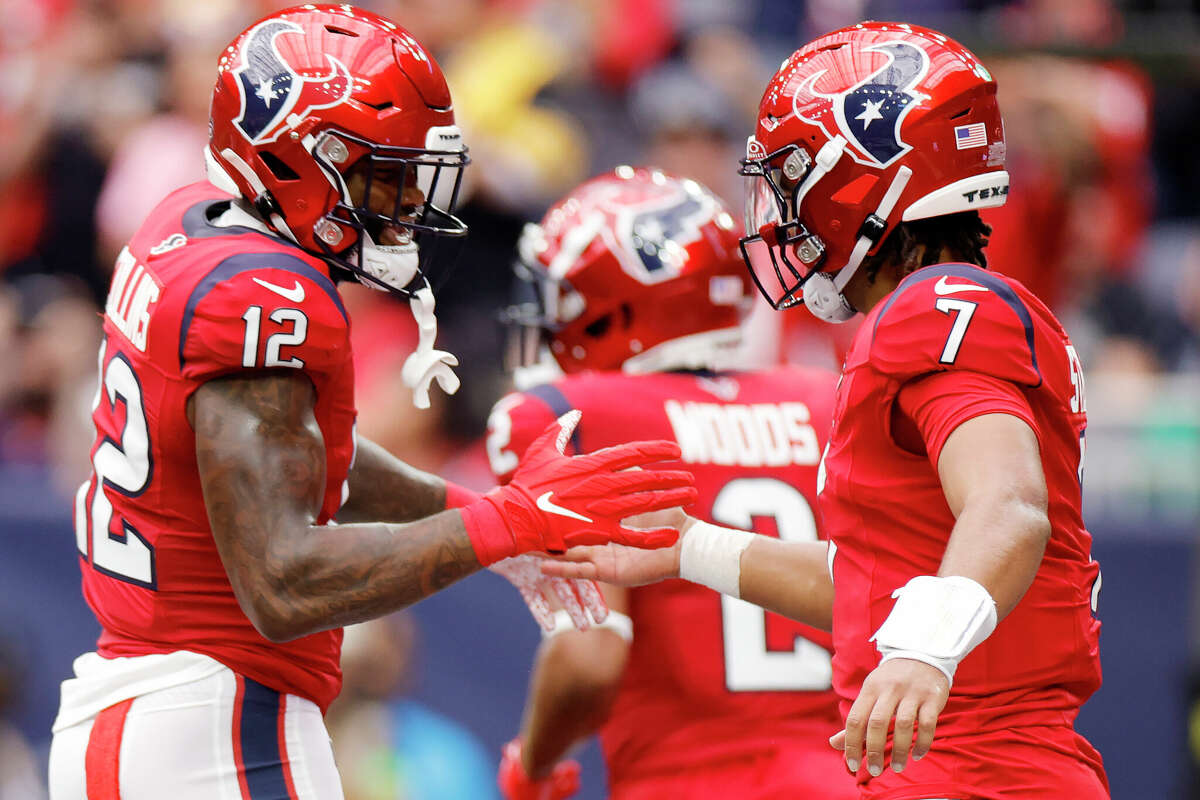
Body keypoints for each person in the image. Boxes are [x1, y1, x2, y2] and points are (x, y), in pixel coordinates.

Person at [47, 6, 696, 798]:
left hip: (162, 707)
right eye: (383, 173)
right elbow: (286, 584)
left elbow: (316, 467)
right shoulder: (264, 295)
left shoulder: (190, 226)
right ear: (299, 158)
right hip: (212, 720)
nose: (407, 203)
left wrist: (497, 522)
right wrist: (505, 524)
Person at [542, 21, 1109, 800]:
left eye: (794, 178)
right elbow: (877, 584)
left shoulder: (933, 304)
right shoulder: (946, 309)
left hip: (973, 766)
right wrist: (689, 547)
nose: (783, 212)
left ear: (867, 177)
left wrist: (924, 653)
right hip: (974, 760)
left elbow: (1010, 507)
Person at [488, 167, 853, 800]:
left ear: (615, 306)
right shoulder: (833, 401)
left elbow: (589, 657)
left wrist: (533, 767)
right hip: (858, 779)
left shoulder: (567, 415)